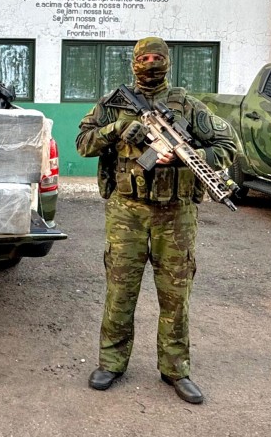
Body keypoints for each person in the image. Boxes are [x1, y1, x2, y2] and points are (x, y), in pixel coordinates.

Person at [75, 37, 236, 404]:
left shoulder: (190, 107)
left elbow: (227, 148)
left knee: (176, 295)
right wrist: (115, 131)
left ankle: (176, 369)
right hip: (126, 212)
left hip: (176, 215)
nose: (151, 64)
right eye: (145, 58)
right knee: (120, 290)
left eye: (157, 58)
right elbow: (83, 143)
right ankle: (112, 363)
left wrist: (187, 156)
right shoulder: (113, 104)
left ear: (168, 62)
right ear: (133, 62)